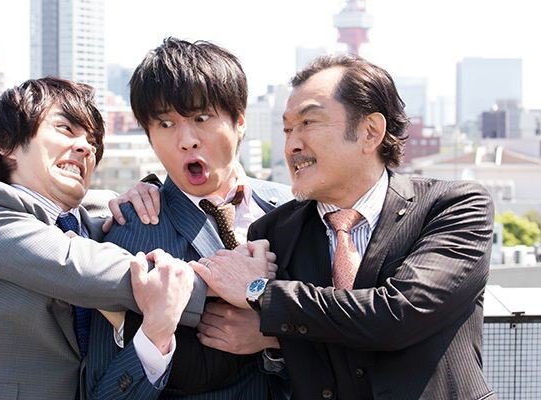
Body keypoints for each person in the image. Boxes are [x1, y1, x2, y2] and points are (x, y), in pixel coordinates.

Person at [191, 54, 497, 400]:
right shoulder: (274, 232)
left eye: (308, 122)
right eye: (288, 129)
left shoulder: (453, 206)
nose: (292, 145)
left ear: (370, 132)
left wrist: (263, 297)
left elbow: (399, 315)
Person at [0, 77, 205, 400]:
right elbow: (75, 265)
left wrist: (149, 191)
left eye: (92, 140)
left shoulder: (101, 216)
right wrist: (212, 285)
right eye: (65, 129)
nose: (86, 147)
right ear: (6, 142)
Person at [103, 38, 292, 399]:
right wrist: (155, 336)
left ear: (239, 122)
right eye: (165, 124)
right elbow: (105, 387)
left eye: (201, 118)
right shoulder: (130, 229)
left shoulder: (294, 209)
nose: (186, 140)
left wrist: (275, 336)